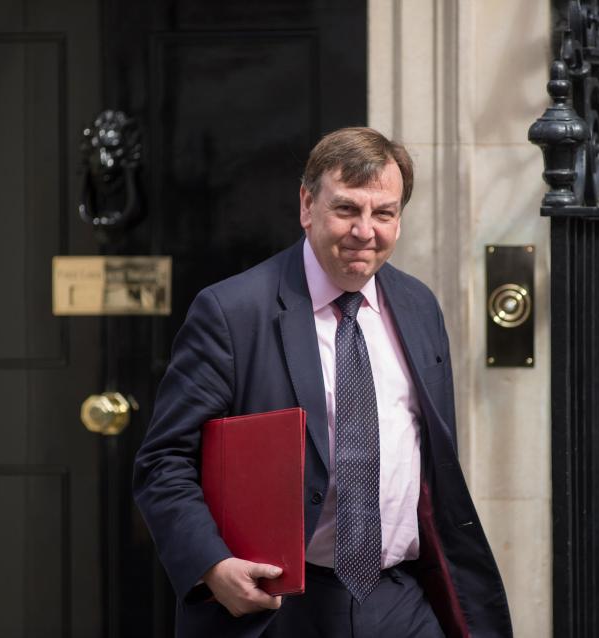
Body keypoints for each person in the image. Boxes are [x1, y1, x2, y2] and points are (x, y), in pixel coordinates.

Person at [133, 127, 512, 638]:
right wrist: (212, 566)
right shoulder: (232, 312)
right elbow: (162, 462)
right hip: (282, 605)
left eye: (384, 213)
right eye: (347, 210)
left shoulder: (420, 307)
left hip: (401, 599)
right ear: (308, 206)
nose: (365, 231)